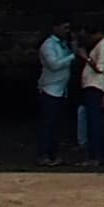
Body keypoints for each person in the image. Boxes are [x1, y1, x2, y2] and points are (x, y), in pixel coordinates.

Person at [35, 22, 79, 164]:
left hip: (61, 89)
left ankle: (53, 153)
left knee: (56, 125)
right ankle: (43, 154)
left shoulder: (63, 45)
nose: (67, 31)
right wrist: (73, 56)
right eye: (65, 28)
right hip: (50, 89)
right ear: (55, 28)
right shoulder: (48, 45)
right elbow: (54, 65)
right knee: (48, 124)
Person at [76, 27, 104, 159]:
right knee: (95, 120)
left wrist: (86, 58)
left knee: (94, 121)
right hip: (94, 85)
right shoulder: (102, 44)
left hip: (95, 85)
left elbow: (100, 67)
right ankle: (100, 153)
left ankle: (96, 154)